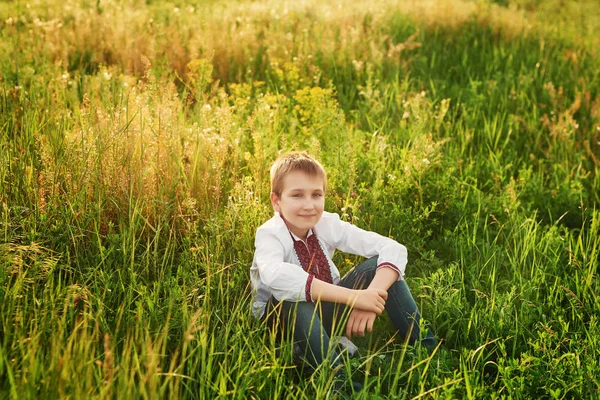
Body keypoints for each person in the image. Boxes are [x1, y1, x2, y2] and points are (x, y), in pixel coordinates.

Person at [250, 151, 436, 392]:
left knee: (381, 265)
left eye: (316, 194)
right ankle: (339, 382)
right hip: (281, 327)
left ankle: (427, 350)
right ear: (276, 201)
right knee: (293, 298)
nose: (309, 205)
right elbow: (276, 276)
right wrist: (355, 298)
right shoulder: (269, 233)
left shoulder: (326, 223)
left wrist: (372, 297)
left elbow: (393, 248)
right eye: (297, 195)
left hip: (328, 311)